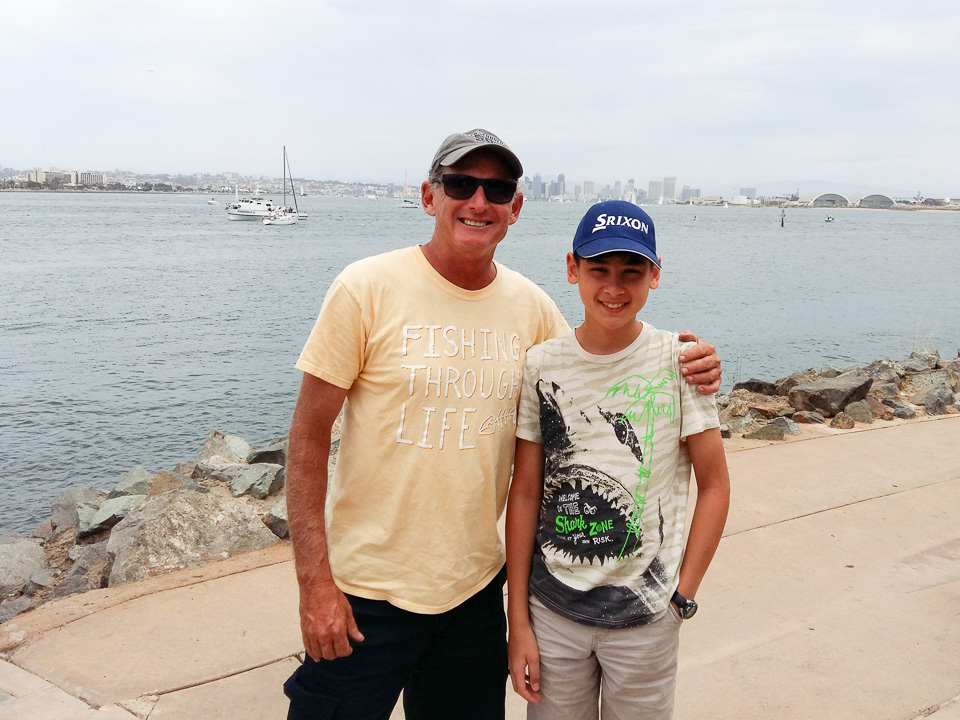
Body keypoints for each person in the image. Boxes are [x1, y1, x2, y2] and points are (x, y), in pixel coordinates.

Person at [282, 130, 723, 720]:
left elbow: (598, 356)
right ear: (429, 196)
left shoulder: (532, 308)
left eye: (497, 189)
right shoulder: (365, 288)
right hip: (365, 594)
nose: (478, 201)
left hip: (473, 597)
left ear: (515, 207)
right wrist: (315, 583)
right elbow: (308, 437)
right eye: (461, 183)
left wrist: (693, 363)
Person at [506, 201, 730, 720]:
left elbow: (715, 484)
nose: (614, 287)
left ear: (655, 275)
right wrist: (519, 618)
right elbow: (526, 490)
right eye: (598, 269)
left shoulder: (680, 362)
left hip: (647, 622)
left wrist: (682, 597)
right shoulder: (540, 366)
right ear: (572, 269)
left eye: (631, 271)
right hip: (552, 615)